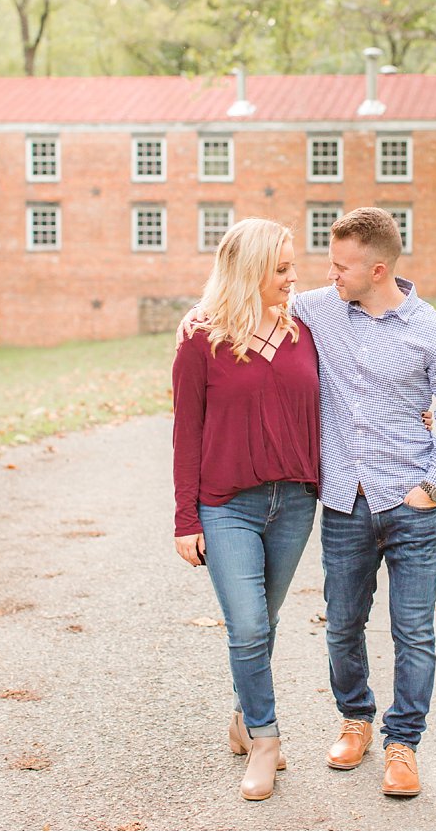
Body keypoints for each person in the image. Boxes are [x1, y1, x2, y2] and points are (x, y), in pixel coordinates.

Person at [291, 207, 436, 799]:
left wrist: (433, 484)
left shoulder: (435, 331)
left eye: (340, 265)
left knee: (414, 631)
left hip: (411, 505)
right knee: (343, 624)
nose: (329, 273)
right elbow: (254, 307)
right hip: (345, 500)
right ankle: (356, 719)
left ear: (376, 269)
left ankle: (403, 745)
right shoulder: (320, 310)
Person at [173, 218, 320, 802]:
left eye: (292, 267)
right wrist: (186, 519)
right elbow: (187, 432)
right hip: (227, 505)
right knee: (250, 624)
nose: (292, 278)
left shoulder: (304, 329)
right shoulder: (200, 335)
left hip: (294, 504)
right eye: (281, 269)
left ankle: (243, 715)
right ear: (250, 269)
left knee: (265, 621)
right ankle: (266, 739)